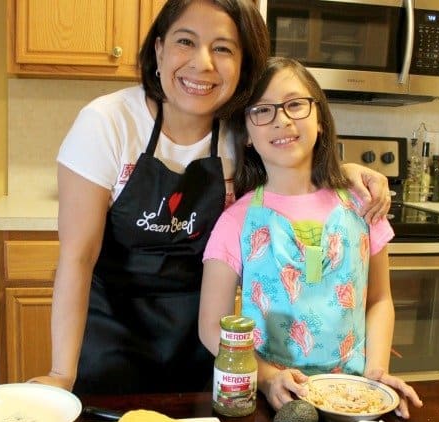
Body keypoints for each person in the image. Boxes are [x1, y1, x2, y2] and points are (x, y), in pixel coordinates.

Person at [30, 0, 391, 395]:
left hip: (204, 341)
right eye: (186, 41)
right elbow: (77, 257)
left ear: (243, 64)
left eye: (222, 48)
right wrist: (62, 373)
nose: (203, 63)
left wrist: (347, 175)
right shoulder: (108, 123)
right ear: (159, 49)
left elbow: (293, 164)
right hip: (113, 331)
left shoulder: (240, 131)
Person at [198, 57, 422, 418]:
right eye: (263, 110)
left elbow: (379, 299)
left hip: (355, 398)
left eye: (295, 104)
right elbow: (211, 326)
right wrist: (269, 378)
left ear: (320, 119)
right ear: (247, 134)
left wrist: (376, 376)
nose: (281, 120)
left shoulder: (362, 203)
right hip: (274, 403)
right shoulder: (235, 221)